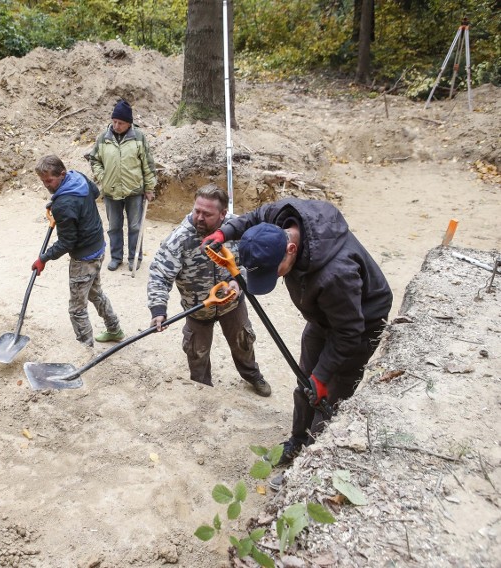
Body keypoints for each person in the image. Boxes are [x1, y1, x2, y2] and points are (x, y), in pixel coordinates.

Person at [203, 198, 392, 465]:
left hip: (359, 325)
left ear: (291, 248)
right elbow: (255, 216)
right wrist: (226, 232)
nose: (277, 277)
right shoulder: (281, 216)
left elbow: (349, 332)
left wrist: (323, 376)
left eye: (275, 271)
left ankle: (313, 461)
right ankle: (297, 441)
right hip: (324, 317)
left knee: (330, 394)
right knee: (305, 383)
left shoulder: (335, 274)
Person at [147, 185, 272, 397]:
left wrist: (239, 281)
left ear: (223, 214)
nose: (199, 217)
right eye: (197, 211)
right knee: (197, 353)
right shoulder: (179, 239)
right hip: (197, 309)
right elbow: (160, 274)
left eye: (207, 214)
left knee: (243, 342)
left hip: (233, 305)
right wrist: (158, 309)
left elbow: (256, 260)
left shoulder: (240, 227)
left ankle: (252, 375)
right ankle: (202, 392)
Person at [32, 155, 124, 347]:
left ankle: (86, 350)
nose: (46, 185)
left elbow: (67, 242)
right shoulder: (78, 177)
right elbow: (95, 192)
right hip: (98, 247)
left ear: (62, 174)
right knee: (95, 293)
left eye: (49, 180)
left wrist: (44, 258)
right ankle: (114, 329)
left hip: (83, 259)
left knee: (76, 309)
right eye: (42, 181)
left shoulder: (64, 205)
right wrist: (62, 204)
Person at [86, 98, 157, 272]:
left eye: (121, 123)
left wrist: (149, 187)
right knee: (114, 227)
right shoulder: (103, 138)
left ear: (129, 123)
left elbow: (148, 164)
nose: (116, 125)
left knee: (134, 227)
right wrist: (103, 177)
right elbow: (94, 159)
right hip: (111, 191)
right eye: (114, 121)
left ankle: (134, 258)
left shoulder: (139, 137)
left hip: (134, 190)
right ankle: (116, 257)